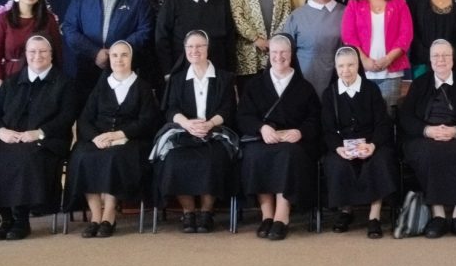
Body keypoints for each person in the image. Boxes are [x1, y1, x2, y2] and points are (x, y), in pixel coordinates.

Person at [0, 35, 76, 240]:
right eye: (32, 51)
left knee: (22, 159)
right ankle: (6, 218)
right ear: (26, 54)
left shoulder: (64, 83)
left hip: (47, 141)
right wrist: (1, 132)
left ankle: (21, 218)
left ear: (51, 55)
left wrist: (38, 133)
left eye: (43, 51)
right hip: (9, 138)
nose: (37, 56)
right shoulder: (13, 82)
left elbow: (66, 117)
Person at [64, 41, 160, 238]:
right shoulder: (101, 85)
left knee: (114, 158)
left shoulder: (142, 87)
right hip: (99, 138)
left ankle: (109, 215)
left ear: (131, 58)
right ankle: (95, 215)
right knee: (81, 155)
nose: (119, 59)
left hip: (131, 141)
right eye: (115, 55)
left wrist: (120, 134)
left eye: (124, 55)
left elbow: (148, 121)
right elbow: (85, 119)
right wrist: (96, 137)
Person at [396, 39, 456, 239]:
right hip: (426, 135)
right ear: (430, 59)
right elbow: (406, 117)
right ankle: (437, 216)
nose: (441, 59)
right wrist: (427, 130)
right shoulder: (420, 84)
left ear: (453, 59)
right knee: (430, 153)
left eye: (445, 55)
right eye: (436, 55)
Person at [237, 35, 321, 241]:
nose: (279, 56)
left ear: (291, 55)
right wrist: (262, 128)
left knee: (288, 155)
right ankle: (267, 215)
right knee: (254, 154)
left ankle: (282, 217)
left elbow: (315, 119)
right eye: (274, 52)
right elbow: (243, 116)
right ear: (269, 55)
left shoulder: (305, 87)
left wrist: (300, 132)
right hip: (263, 139)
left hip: (294, 143)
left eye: (283, 52)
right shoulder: (255, 85)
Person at [156, 31, 238, 234]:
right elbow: (171, 109)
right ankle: (189, 212)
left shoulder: (224, 77)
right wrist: (187, 124)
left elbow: (227, 109)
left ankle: (206, 213)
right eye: (190, 47)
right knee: (175, 159)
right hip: (184, 132)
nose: (195, 51)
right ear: (184, 50)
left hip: (215, 132)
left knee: (213, 159)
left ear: (207, 48)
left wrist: (209, 124)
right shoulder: (177, 79)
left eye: (199, 46)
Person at [320, 47, 398, 239]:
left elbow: (382, 123)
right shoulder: (329, 94)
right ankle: (345, 211)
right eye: (341, 66)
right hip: (342, 145)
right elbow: (327, 130)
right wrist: (339, 148)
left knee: (379, 161)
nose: (346, 70)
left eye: (350, 65)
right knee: (336, 164)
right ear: (336, 68)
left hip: (371, 142)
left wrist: (372, 145)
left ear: (358, 66)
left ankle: (374, 215)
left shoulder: (371, 89)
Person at [63, 0, 154, 99]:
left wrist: (116, 54)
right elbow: (69, 29)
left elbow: (145, 30)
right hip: (88, 68)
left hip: (124, 70)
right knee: (86, 116)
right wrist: (95, 52)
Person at [340, 0, 413, 108]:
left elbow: (406, 35)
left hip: (391, 73)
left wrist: (388, 59)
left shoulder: (400, 4)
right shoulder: (354, 4)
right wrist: (364, 60)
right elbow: (348, 35)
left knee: (388, 115)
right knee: (361, 114)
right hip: (360, 71)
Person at [154, 0, 234, 77]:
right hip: (181, 71)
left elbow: (230, 37)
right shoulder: (173, 0)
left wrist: (230, 72)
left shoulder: (220, 0)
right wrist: (168, 70)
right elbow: (162, 36)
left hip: (218, 70)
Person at [0, 0, 62, 89]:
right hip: (11, 79)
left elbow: (57, 54)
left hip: (43, 80)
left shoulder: (49, 19)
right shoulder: (4, 19)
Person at [230, 0, 292, 84]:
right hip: (249, 52)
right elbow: (237, 17)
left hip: (275, 52)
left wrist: (273, 41)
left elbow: (286, 15)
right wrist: (256, 39)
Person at [281, 0, 345, 96]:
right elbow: (285, 49)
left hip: (339, 73)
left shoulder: (346, 12)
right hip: (304, 75)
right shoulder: (297, 15)